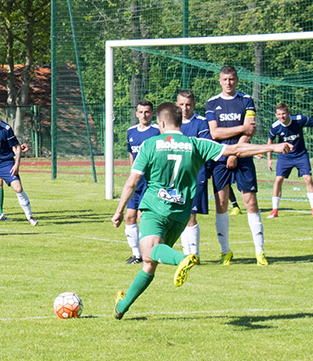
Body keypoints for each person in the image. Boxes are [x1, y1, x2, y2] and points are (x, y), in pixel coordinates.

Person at [111, 102, 292, 319]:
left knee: (149, 253)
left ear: (161, 122)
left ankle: (183, 259)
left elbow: (132, 182)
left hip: (155, 208)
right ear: (180, 122)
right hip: (180, 214)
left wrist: (120, 209)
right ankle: (122, 307)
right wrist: (271, 147)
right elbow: (236, 149)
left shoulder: (150, 144)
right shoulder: (196, 143)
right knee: (151, 263)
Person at [205, 66, 265, 266]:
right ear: (220, 81)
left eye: (231, 79)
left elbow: (250, 131)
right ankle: (226, 252)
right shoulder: (212, 103)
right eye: (225, 79)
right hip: (220, 158)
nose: (228, 82)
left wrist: (236, 152)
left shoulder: (246, 100)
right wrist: (240, 129)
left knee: (251, 203)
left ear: (237, 80)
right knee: (221, 205)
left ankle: (259, 252)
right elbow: (215, 134)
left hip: (244, 157)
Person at [123, 101, 160, 264]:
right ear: (136, 114)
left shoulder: (158, 130)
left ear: (152, 114)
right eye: (140, 112)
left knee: (142, 217)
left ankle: (150, 252)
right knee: (129, 216)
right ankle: (136, 254)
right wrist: (132, 174)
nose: (144, 115)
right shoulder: (131, 132)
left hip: (151, 181)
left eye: (147, 112)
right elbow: (132, 154)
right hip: (137, 181)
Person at [176, 90, 210, 257]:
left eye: (188, 104)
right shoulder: (171, 123)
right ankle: (185, 254)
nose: (185, 108)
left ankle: (194, 255)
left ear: (194, 105)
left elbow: (205, 149)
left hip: (196, 175)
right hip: (176, 177)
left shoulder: (201, 123)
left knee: (191, 215)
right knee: (181, 215)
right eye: (181, 104)